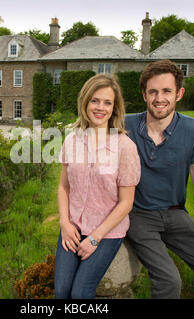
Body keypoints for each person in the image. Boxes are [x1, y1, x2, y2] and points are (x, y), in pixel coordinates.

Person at [125, 60, 194, 299]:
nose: (159, 98)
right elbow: (89, 130)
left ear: (179, 94)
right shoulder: (125, 125)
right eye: (153, 91)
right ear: (144, 95)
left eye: (166, 91)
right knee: (169, 281)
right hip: (138, 215)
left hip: (175, 215)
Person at [54, 74, 141, 299]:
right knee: (62, 291)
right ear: (85, 102)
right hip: (73, 226)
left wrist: (94, 238)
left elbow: (126, 203)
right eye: (94, 100)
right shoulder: (72, 140)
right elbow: (64, 187)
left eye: (107, 102)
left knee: (81, 294)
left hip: (107, 231)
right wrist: (64, 223)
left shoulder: (125, 147)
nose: (100, 107)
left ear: (115, 108)